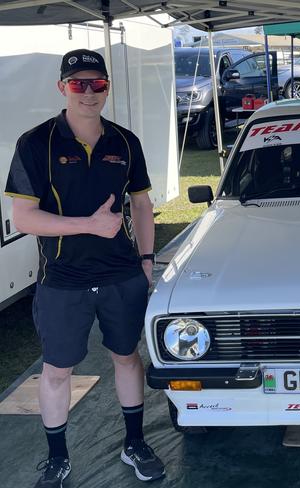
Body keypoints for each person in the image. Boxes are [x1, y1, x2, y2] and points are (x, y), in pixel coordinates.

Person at [4, 49, 165, 486]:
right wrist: (89, 226)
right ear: (62, 87)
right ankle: (57, 459)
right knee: (57, 371)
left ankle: (135, 443)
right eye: (79, 84)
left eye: (98, 84)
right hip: (63, 280)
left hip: (121, 275)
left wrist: (147, 261)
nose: (89, 93)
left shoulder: (125, 141)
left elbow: (143, 204)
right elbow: (24, 218)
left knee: (127, 358)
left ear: (107, 87)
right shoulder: (36, 143)